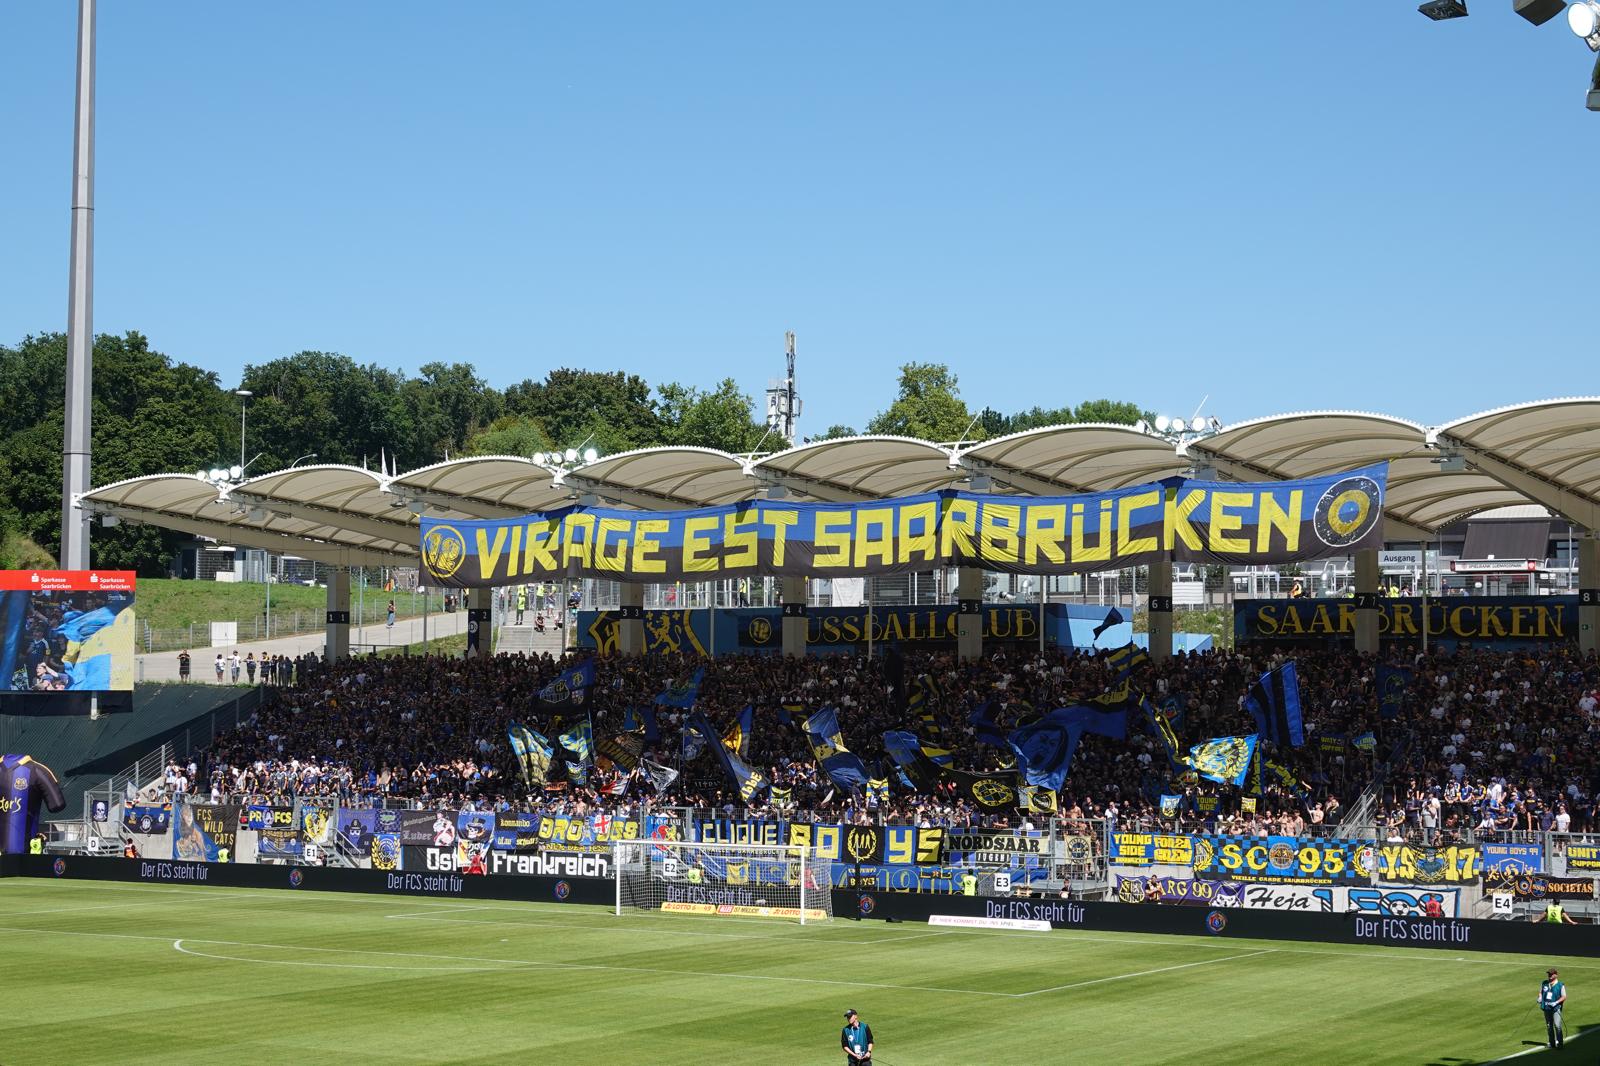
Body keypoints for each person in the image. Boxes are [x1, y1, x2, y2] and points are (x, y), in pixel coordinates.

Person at [1541, 968, 1566, 1049]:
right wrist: (1540, 997)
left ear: (1556, 975)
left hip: (1556, 1008)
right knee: (1549, 1026)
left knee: (1557, 1025)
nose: (1550, 975)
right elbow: (1541, 992)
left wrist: (1556, 1002)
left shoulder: (1560, 985)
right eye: (1549, 974)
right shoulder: (1544, 983)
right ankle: (1552, 1043)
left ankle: (1560, 1043)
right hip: (1546, 1008)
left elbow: (1564, 996)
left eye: (1551, 974)